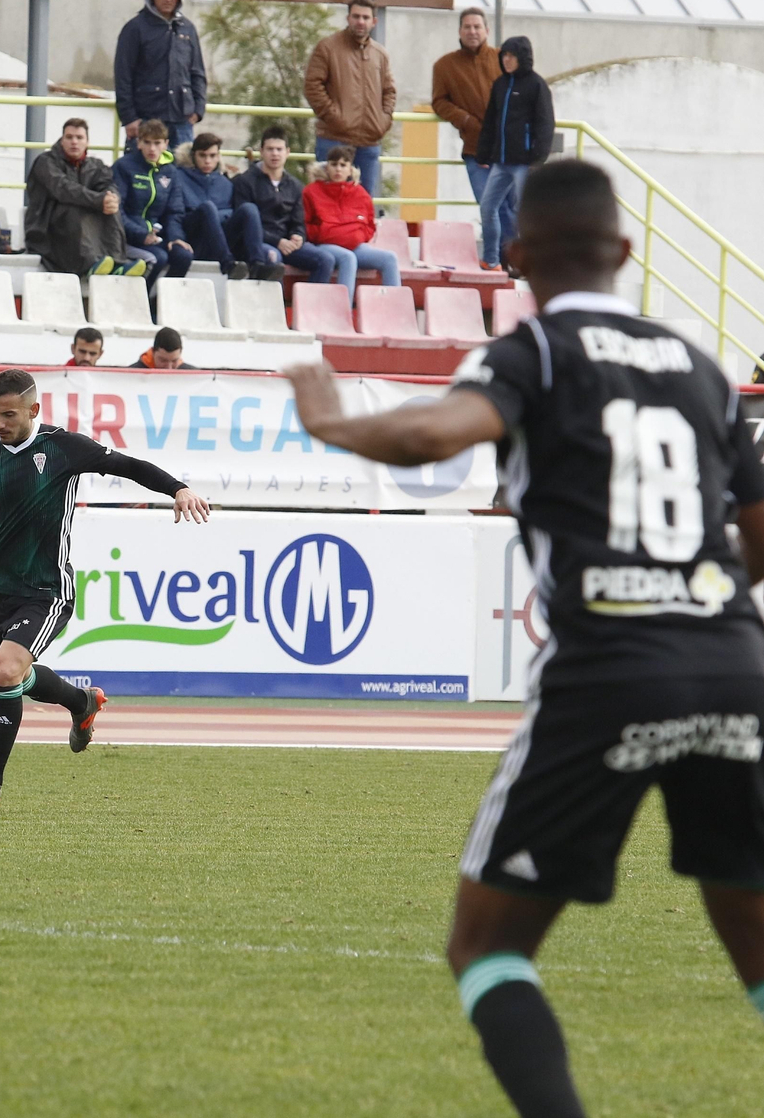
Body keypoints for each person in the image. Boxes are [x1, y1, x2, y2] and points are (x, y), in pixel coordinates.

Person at [286, 157, 764, 1118]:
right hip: (734, 664)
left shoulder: (534, 353)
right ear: (625, 252)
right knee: (749, 931)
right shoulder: (702, 365)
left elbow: (438, 435)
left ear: (513, 258)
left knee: (488, 946)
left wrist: (333, 417)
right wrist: (692, 595)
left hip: (609, 673)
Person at [0, 368, 210, 810]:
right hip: (0, 589)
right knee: (14, 676)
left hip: (48, 589)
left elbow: (125, 465)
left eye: (9, 414)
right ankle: (81, 701)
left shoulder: (63, 448)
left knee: (5, 671)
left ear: (34, 410)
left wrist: (177, 488)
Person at [431, 7, 513, 252]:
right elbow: (439, 102)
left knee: (511, 208)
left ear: (486, 30)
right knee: (489, 206)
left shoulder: (503, 60)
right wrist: (466, 120)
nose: (472, 31)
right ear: (459, 31)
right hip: (475, 150)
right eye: (467, 26)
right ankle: (494, 259)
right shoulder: (445, 66)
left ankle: (513, 262)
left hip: (508, 150)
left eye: (477, 26)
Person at [25, 118, 143, 279]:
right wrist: (98, 200)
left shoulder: (95, 165)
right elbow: (63, 189)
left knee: (111, 208)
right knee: (73, 208)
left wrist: (110, 198)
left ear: (87, 142)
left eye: (79, 138)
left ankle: (117, 263)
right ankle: (89, 263)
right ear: (62, 140)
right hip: (46, 230)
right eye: (69, 137)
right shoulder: (45, 161)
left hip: (74, 228)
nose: (74, 142)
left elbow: (108, 184)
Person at [476, 36, 554, 272]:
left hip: (525, 163)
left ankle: (525, 264)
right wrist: (483, 153)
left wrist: (538, 158)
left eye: (511, 56)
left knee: (525, 215)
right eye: (504, 56)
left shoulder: (537, 85)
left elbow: (545, 123)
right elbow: (490, 121)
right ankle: (491, 260)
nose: (507, 60)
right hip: (501, 162)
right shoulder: (500, 84)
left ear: (522, 58)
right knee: (487, 208)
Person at [303, 0, 395, 196]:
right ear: (348, 18)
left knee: (363, 201)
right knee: (327, 200)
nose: (360, 21)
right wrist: (335, 118)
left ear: (374, 21)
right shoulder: (327, 47)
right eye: (356, 16)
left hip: (369, 142)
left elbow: (389, 91)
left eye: (365, 17)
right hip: (333, 139)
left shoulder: (380, 54)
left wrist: (383, 121)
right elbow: (312, 86)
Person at [231, 125, 334, 286]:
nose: (275, 154)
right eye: (270, 149)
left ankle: (308, 308)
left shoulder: (295, 185)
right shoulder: (245, 181)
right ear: (261, 151)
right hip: (259, 243)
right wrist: (277, 241)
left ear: (288, 152)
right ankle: (274, 308)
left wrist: (298, 236)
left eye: (279, 149)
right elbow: (245, 223)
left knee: (325, 259)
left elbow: (299, 222)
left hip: (288, 243)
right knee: (273, 257)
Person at [302, 144, 400, 305]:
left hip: (356, 246)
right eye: (334, 164)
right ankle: (343, 310)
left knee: (390, 258)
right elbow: (304, 223)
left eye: (343, 165)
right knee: (348, 258)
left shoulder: (360, 193)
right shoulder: (311, 191)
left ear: (350, 169)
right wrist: (322, 233)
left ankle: (395, 309)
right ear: (327, 167)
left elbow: (370, 224)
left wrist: (360, 235)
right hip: (326, 245)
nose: (338, 170)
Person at [113, 0, 206, 151]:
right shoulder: (135, 28)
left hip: (182, 119)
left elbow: (197, 72)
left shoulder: (187, 28)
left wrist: (198, 110)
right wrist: (129, 117)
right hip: (145, 118)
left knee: (182, 173)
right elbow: (123, 76)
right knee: (141, 172)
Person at [113, 119, 194, 287]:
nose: (152, 149)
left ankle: (161, 304)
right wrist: (141, 235)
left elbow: (175, 211)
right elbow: (117, 210)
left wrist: (175, 237)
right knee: (159, 258)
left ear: (166, 144)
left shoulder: (171, 171)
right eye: (147, 142)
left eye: (157, 143)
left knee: (183, 255)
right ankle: (143, 304)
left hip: (156, 235)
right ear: (138, 143)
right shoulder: (123, 166)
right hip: (128, 235)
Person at [175, 132, 250, 279]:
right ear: (193, 156)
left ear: (218, 156)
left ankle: (258, 264)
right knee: (207, 207)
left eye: (212, 156)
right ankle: (227, 263)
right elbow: (177, 213)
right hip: (192, 238)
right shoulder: (178, 177)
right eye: (202, 156)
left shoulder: (225, 182)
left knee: (249, 209)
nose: (208, 161)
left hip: (219, 237)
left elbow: (231, 212)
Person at [130, 326, 195, 369]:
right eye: (163, 360)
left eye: (174, 361)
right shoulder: (130, 376)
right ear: (153, 352)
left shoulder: (194, 378)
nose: (169, 368)